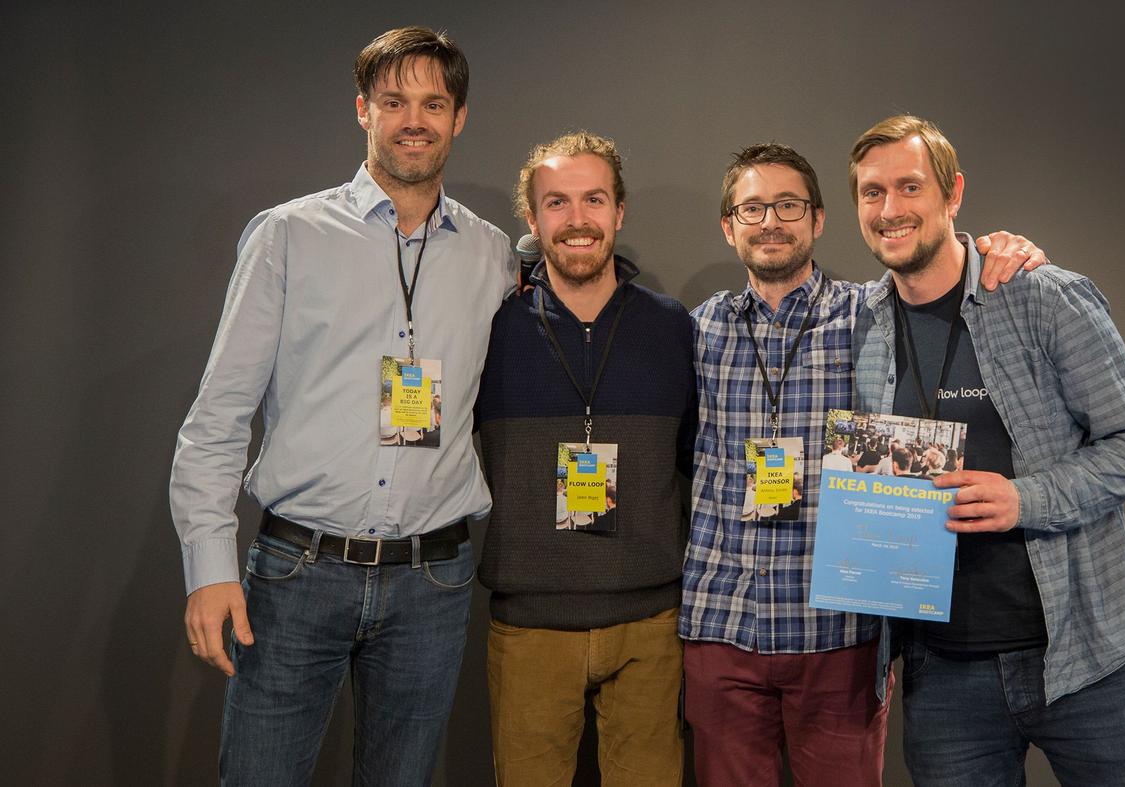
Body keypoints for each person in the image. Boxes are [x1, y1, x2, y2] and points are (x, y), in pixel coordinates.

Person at [169, 27, 513, 784]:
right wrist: (208, 566)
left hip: (435, 581)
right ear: (363, 110)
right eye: (394, 101)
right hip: (298, 572)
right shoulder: (288, 236)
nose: (413, 119)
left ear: (460, 118)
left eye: (432, 102)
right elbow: (218, 418)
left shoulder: (495, 256)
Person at [683, 142, 1047, 786]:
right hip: (722, 626)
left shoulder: (873, 317)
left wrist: (1008, 252)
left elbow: (951, 275)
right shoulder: (696, 330)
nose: (771, 222)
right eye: (753, 207)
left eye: (789, 206)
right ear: (727, 225)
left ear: (819, 219)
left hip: (840, 634)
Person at [849, 114, 1125, 785]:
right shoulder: (858, 322)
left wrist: (1023, 498)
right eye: (871, 192)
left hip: (1083, 655)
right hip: (943, 673)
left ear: (953, 193)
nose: (890, 209)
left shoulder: (1042, 298)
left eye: (909, 187)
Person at [474, 131, 697, 786]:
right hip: (530, 628)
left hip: (652, 627)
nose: (577, 220)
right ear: (533, 218)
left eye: (594, 200)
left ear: (619, 211)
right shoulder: (492, 325)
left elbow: (701, 459)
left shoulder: (673, 326)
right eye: (557, 203)